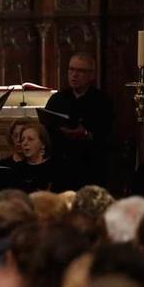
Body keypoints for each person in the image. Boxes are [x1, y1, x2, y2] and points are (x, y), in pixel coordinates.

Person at [44, 53, 113, 188]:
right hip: (60, 165)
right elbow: (46, 127)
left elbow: (108, 135)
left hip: (89, 166)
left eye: (80, 71)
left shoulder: (102, 101)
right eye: (71, 69)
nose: (74, 75)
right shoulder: (58, 99)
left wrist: (86, 134)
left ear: (91, 75)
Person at [12, 123, 61, 193]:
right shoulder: (17, 169)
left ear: (43, 144)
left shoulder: (56, 167)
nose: (25, 143)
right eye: (22, 140)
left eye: (30, 139)